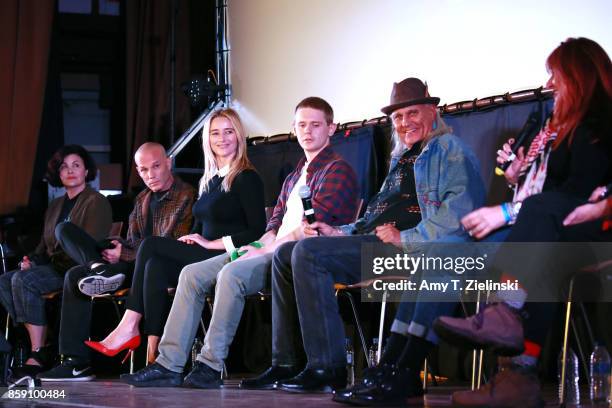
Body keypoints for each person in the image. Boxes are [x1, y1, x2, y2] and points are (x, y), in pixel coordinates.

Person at [241, 77, 485, 399]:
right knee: (288, 253)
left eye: (412, 113)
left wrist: (406, 238)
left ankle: (328, 368)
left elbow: (461, 214)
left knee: (308, 253)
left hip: (412, 248)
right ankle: (286, 362)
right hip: (377, 243)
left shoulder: (449, 150)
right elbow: (372, 217)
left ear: (431, 111)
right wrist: (337, 231)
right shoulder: (402, 157)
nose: (404, 122)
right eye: (397, 117)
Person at [120, 97, 359, 389]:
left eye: (315, 125)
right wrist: (258, 246)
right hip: (268, 250)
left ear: (331, 128)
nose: (307, 132)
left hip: (295, 257)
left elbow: (312, 229)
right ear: (293, 129)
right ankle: (169, 364)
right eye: (301, 125)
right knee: (191, 274)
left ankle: (209, 365)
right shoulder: (295, 175)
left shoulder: (336, 170)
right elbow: (273, 225)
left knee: (230, 274)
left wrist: (261, 247)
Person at [434, 37, 612, 407]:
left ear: (577, 76)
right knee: (542, 258)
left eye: (554, 76)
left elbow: (578, 195)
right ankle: (519, 379)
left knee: (536, 219)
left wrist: (505, 212)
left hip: (601, 229)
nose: (549, 85)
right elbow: (559, 194)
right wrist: (514, 174)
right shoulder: (563, 129)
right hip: (567, 230)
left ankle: (505, 312)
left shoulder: (604, 119)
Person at [83, 109, 266, 368]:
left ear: (239, 136)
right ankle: (154, 357)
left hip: (227, 257)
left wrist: (210, 243)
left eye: (229, 132)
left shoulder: (247, 177)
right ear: (208, 139)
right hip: (203, 253)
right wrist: (193, 239)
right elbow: (203, 227)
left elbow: (257, 230)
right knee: (154, 266)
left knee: (150, 245)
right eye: (215, 133)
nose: (222, 138)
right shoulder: (210, 180)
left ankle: (129, 325)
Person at [38, 142, 196, 381]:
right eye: (143, 170)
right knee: (69, 251)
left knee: (139, 258)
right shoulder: (142, 198)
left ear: (168, 163)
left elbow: (169, 246)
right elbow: (134, 242)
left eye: (155, 167)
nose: (150, 175)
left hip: (156, 269)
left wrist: (123, 254)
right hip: (130, 264)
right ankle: (75, 362)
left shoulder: (186, 195)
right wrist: (117, 248)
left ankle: (103, 272)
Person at [0, 145, 112, 378]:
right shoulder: (55, 206)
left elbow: (91, 244)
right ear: (58, 174)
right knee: (4, 280)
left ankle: (37, 353)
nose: (70, 171)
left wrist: (39, 268)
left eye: (76, 165)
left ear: (86, 171)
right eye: (64, 167)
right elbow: (44, 245)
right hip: (53, 267)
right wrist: (31, 261)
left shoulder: (96, 201)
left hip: (77, 268)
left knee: (24, 281)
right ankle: (44, 339)